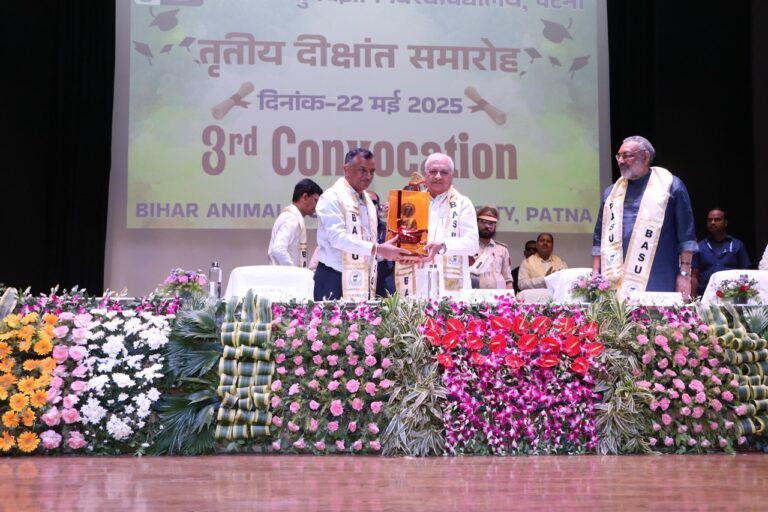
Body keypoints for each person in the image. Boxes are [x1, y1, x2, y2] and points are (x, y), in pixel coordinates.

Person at [591, 135, 698, 298]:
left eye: (626, 155)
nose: (620, 161)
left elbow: (686, 237)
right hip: (615, 280)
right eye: (618, 156)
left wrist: (685, 275)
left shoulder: (671, 186)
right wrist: (595, 274)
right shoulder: (611, 193)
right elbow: (599, 238)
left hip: (660, 276)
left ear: (645, 156)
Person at [313, 148, 409, 301]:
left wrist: (394, 254)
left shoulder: (367, 201)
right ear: (346, 169)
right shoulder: (331, 197)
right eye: (362, 170)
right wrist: (378, 249)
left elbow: (368, 242)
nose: (368, 176)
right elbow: (337, 238)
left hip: (363, 278)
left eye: (372, 171)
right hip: (334, 279)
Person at [395, 153, 479, 297]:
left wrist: (443, 245)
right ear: (425, 175)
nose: (438, 176)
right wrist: (394, 216)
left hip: (450, 287)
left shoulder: (463, 203)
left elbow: (473, 245)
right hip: (417, 280)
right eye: (433, 171)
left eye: (444, 172)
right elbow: (399, 240)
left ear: (451, 176)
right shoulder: (411, 203)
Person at [691, 208, 751, 296]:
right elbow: (694, 275)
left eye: (717, 219)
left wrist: (744, 297)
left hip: (732, 295)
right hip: (705, 296)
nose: (712, 222)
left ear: (725, 223)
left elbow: (745, 273)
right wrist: (692, 300)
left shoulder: (737, 245)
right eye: (709, 220)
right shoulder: (699, 246)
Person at [268, 178, 323, 267]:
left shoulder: (292, 217)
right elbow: (278, 249)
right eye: (315, 201)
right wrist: (294, 272)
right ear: (305, 197)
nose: (317, 206)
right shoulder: (291, 218)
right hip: (284, 275)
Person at [469, 206, 514, 290]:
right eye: (483, 222)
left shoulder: (502, 249)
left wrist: (510, 296)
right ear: (476, 223)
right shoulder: (468, 247)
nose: (487, 226)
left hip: (498, 295)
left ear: (495, 226)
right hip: (474, 295)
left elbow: (508, 280)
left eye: (491, 223)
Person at [366, 190, 396, 297]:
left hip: (386, 285)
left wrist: (393, 218)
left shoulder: (389, 229)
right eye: (365, 202)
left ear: (379, 207)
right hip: (360, 283)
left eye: (373, 202)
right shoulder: (351, 231)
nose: (369, 205)